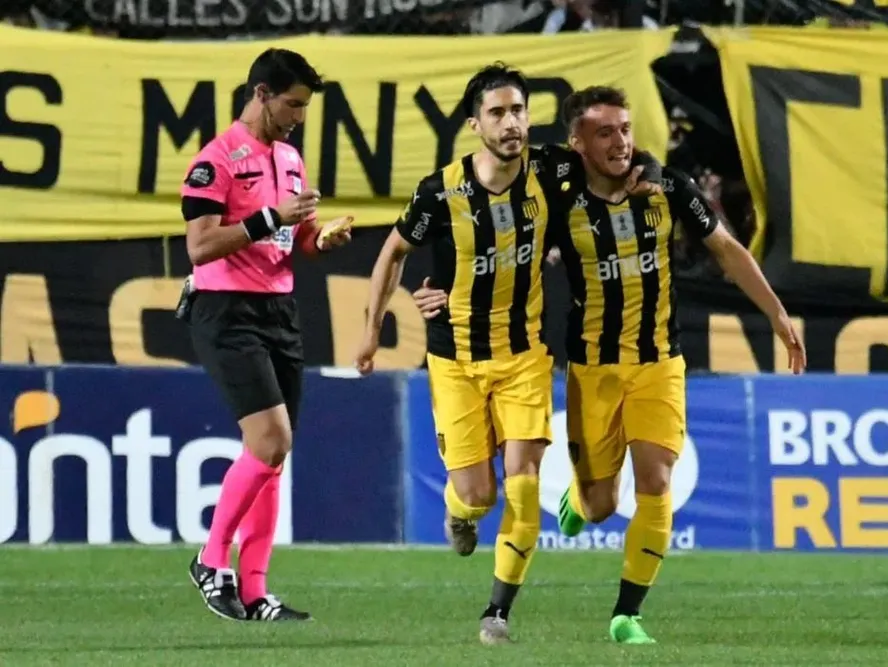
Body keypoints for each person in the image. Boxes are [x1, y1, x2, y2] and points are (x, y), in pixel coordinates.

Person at [411, 86, 806, 645]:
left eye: (625, 129)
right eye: (605, 133)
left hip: (659, 363)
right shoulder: (557, 200)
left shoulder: (665, 186)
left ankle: (628, 615)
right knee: (599, 507)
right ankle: (577, 498)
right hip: (593, 369)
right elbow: (494, 247)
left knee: (657, 480)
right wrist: (436, 293)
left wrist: (777, 315)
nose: (621, 141)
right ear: (577, 146)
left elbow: (725, 248)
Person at [353, 63, 661, 645]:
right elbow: (393, 253)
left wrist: (653, 173)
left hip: (524, 356)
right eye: (497, 112)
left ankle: (497, 612)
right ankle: (459, 513)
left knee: (523, 487)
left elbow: (625, 156)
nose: (511, 122)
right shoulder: (441, 192)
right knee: (478, 494)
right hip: (457, 361)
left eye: (518, 110)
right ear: (475, 125)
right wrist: (373, 331)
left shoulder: (551, 169)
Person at [179, 48, 353, 622]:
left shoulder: (290, 157)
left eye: (304, 106)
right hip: (226, 309)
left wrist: (320, 239)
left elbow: (295, 240)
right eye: (292, 104)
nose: (299, 115)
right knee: (271, 440)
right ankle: (210, 559)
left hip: (279, 310)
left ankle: (254, 593)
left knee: (274, 456)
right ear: (260, 94)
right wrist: (268, 219)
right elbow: (201, 245)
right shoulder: (215, 160)